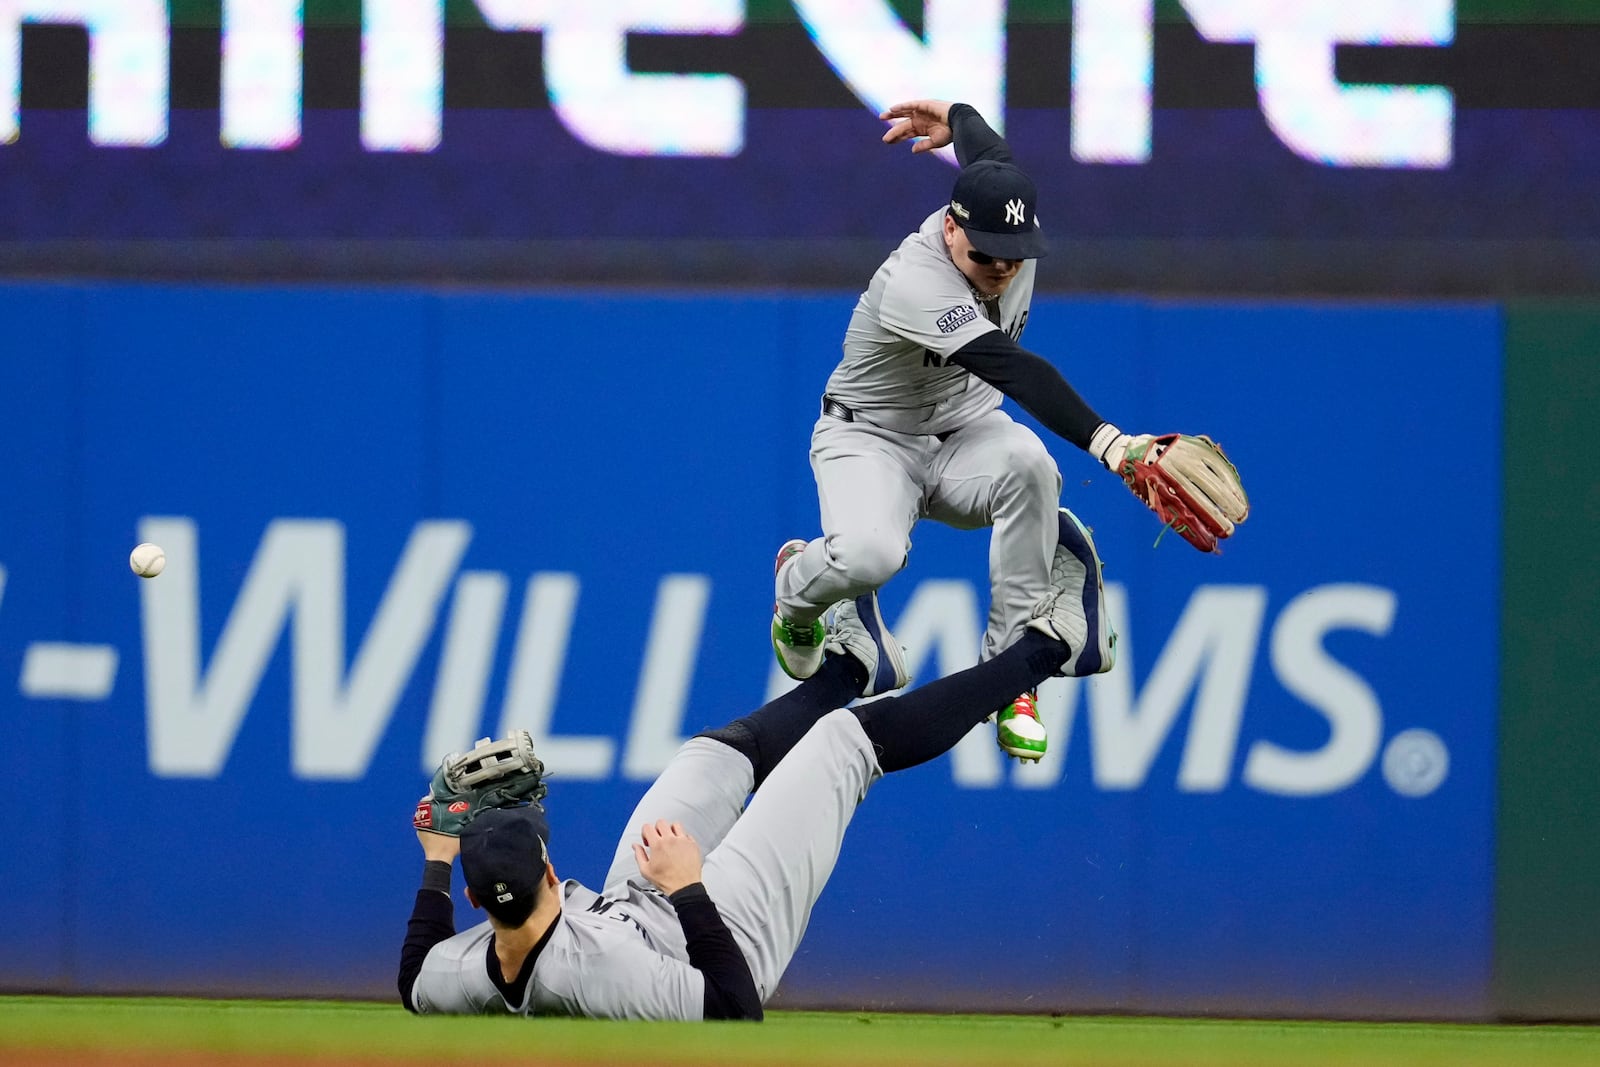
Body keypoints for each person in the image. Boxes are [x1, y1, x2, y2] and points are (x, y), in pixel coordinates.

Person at [398, 508, 1116, 1020]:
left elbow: (413, 980)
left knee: (710, 755)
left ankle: (852, 665)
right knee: (843, 746)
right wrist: (688, 888)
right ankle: (1054, 642)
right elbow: (733, 1007)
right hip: (720, 937)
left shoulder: (463, 971)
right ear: (550, 872)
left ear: (475, 907)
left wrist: (437, 855)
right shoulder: (597, 977)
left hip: (632, 904)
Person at [770, 99, 1167, 763]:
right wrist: (1111, 443)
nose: (1006, 268)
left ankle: (1011, 675)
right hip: (869, 439)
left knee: (1031, 467)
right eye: (988, 254)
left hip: (964, 432)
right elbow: (1010, 367)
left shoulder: (1000, 226)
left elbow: (995, 159)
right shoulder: (914, 281)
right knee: (872, 555)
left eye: (1017, 253)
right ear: (952, 229)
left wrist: (958, 118)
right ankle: (796, 591)